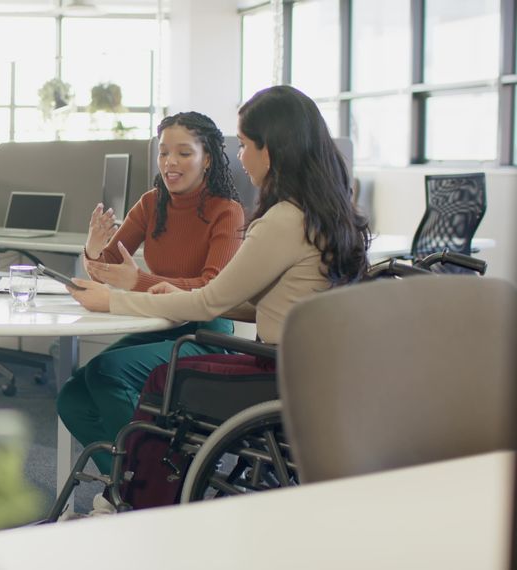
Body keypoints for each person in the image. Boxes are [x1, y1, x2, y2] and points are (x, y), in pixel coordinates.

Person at [71, 86, 371, 509]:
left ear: (273, 150)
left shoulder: (282, 219)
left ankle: (136, 498)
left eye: (246, 145)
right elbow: (258, 301)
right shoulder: (327, 211)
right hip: (311, 370)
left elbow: (208, 303)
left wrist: (114, 300)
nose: (241, 156)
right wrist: (172, 288)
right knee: (101, 382)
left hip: (277, 373)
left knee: (165, 378)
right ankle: (132, 486)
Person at [57, 111, 245, 478]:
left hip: (204, 333)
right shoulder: (151, 203)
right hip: (157, 325)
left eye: (184, 153)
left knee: (107, 372)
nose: (170, 163)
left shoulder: (228, 212)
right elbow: (107, 267)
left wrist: (138, 281)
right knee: (72, 397)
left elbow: (212, 288)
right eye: (163, 153)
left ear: (207, 158)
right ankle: (127, 484)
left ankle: (153, 480)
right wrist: (95, 247)